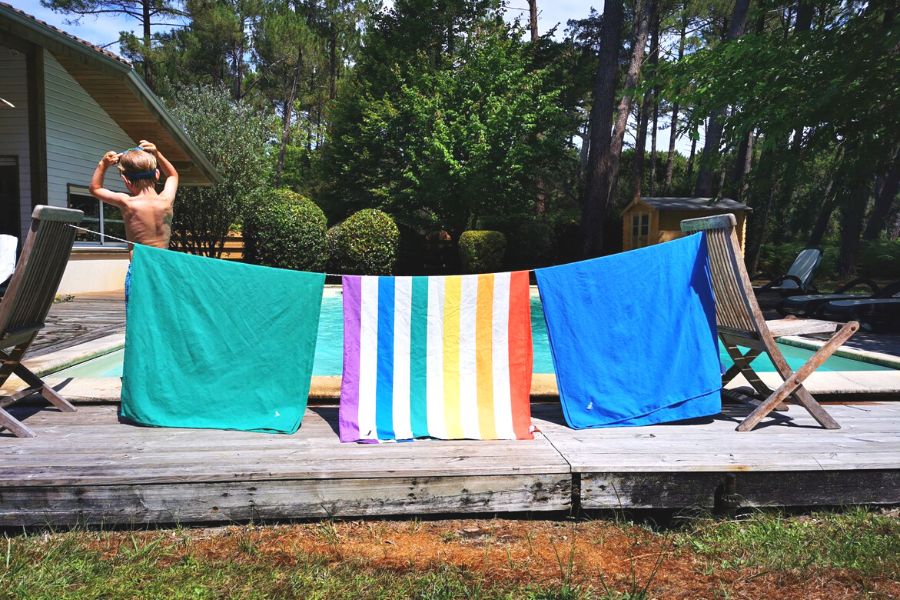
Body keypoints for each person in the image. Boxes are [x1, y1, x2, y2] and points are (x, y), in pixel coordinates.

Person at [89, 140, 179, 303]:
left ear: (126, 180)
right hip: (166, 270)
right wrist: (157, 153)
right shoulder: (166, 200)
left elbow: (95, 188)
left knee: (138, 317)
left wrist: (103, 164)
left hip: (141, 271)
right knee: (163, 316)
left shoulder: (128, 203)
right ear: (157, 174)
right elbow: (173, 175)